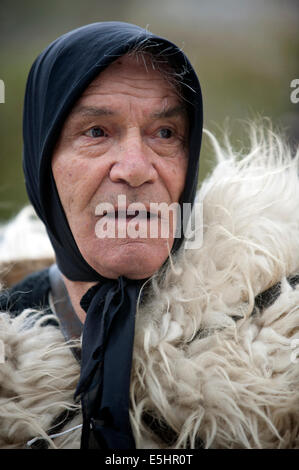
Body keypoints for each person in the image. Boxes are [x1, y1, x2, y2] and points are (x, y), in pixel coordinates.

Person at [0, 21, 298, 450]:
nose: (137, 169)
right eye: (97, 132)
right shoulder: (12, 358)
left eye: (165, 134)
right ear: (42, 162)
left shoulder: (281, 341)